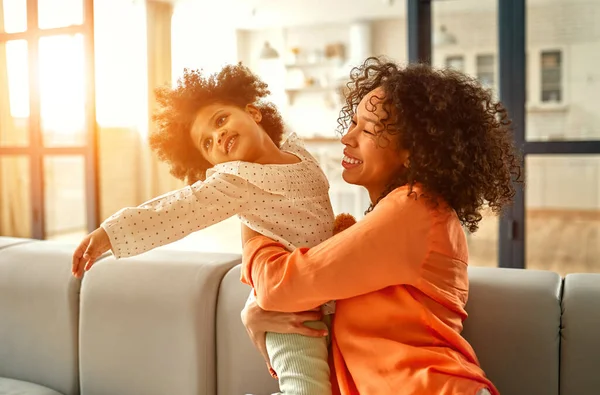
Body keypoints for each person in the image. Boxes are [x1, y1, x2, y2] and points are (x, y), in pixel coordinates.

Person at [240, 56, 522, 395]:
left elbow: (281, 284)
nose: (347, 137)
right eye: (353, 122)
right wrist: (255, 315)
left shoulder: (414, 209)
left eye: (368, 129)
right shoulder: (401, 216)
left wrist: (248, 197)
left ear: (413, 152)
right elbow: (323, 325)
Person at [71, 63, 337, 395]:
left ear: (253, 112)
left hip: (328, 294)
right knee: (307, 390)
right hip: (290, 312)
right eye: (207, 144)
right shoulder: (236, 180)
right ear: (212, 165)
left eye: (221, 120)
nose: (218, 136)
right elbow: (176, 209)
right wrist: (110, 233)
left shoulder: (300, 152)